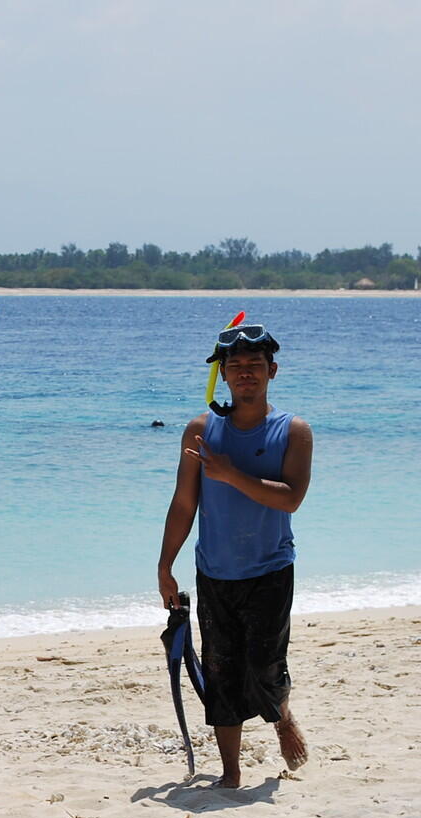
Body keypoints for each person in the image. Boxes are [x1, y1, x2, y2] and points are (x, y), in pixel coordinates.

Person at [156, 322, 313, 788]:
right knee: (222, 672)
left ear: (272, 372)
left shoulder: (294, 431)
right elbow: (184, 503)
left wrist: (229, 474)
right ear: (223, 374)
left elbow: (290, 498)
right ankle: (230, 773)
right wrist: (165, 566)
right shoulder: (201, 430)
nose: (246, 374)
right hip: (215, 572)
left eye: (255, 366)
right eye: (237, 366)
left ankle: (282, 716)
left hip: (270, 568)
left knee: (265, 666)